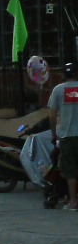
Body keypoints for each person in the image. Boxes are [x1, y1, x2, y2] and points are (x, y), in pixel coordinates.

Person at [47, 61, 78, 210]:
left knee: (70, 170)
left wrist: (54, 134)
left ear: (64, 75)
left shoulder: (58, 90)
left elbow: (52, 115)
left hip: (67, 136)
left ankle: (73, 201)